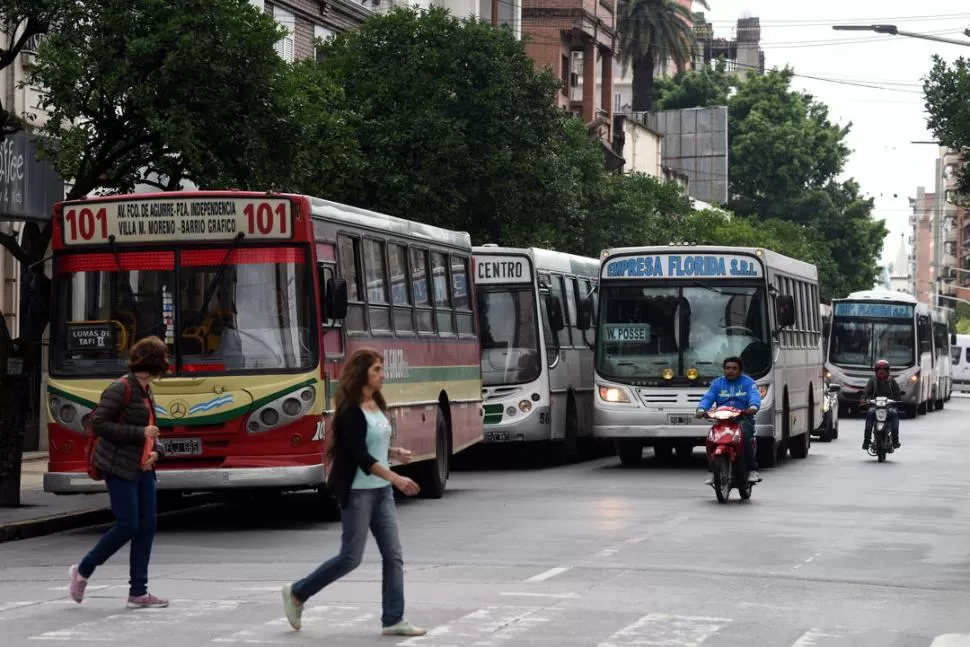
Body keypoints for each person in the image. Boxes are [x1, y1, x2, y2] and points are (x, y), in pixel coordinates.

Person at [281, 348, 426, 637]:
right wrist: (397, 478)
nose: (382, 375)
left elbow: (375, 446)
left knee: (393, 555)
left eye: (382, 369)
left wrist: (395, 452)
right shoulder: (350, 412)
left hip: (381, 491)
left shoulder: (377, 403)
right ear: (362, 374)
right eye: (377, 370)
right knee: (350, 558)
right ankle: (297, 593)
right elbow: (362, 457)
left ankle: (393, 619)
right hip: (359, 492)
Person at [69, 336, 169, 608]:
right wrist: (139, 433)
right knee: (128, 525)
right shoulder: (120, 388)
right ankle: (83, 569)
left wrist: (157, 451)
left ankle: (138, 592)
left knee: (146, 528)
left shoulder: (146, 390)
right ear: (155, 362)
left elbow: (153, 430)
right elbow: (98, 423)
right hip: (118, 466)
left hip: (144, 467)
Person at [696, 356, 762, 484]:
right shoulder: (717, 383)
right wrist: (701, 409)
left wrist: (753, 406)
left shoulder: (748, 382)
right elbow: (708, 397)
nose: (730, 371)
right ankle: (713, 471)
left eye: (734, 368)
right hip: (722, 420)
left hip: (743, 418)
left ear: (740, 370)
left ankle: (753, 470)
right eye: (728, 368)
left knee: (745, 436)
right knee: (711, 439)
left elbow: (754, 396)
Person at [862, 359, 902, 450]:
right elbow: (866, 393)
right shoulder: (872, 381)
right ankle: (866, 441)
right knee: (869, 417)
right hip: (874, 408)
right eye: (879, 369)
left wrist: (897, 400)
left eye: (884, 369)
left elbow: (897, 394)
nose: (881, 371)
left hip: (889, 408)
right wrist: (864, 399)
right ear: (876, 371)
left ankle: (895, 440)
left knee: (895, 415)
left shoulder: (892, 382)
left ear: (888, 371)